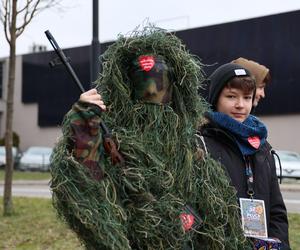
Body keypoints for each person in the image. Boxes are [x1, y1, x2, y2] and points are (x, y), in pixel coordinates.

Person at [50, 27, 256, 249]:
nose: (153, 106)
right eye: (145, 93)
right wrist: (83, 124)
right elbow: (87, 183)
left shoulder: (189, 147)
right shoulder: (113, 143)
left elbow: (216, 220)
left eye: (159, 91)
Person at [198, 63, 290, 249]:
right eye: (231, 97)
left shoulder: (262, 147)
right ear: (215, 99)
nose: (240, 105)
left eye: (247, 97)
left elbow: (277, 212)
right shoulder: (200, 145)